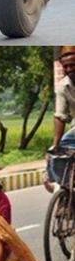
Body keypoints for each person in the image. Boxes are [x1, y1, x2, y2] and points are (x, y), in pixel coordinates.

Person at [50, 47, 75, 182]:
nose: (69, 69)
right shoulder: (62, 87)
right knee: (59, 150)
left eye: (73, 65)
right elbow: (60, 116)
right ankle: (63, 188)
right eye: (66, 66)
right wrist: (56, 145)